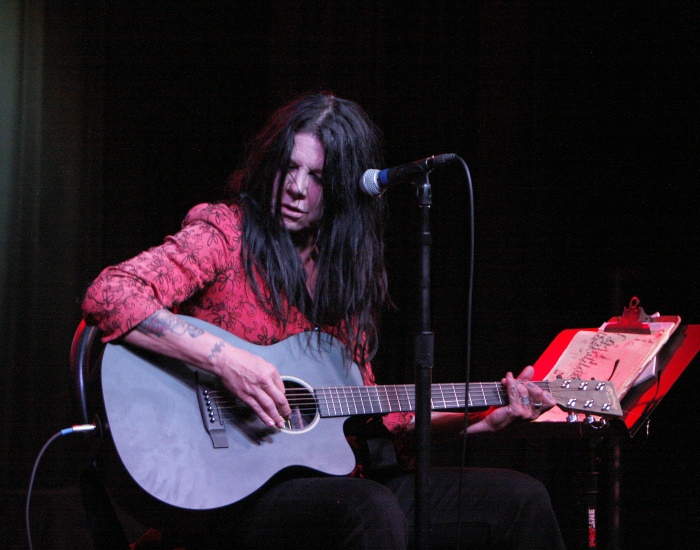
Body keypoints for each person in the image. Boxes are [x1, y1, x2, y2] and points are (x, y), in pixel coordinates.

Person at [82, 91, 565, 549]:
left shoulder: (348, 277)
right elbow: (112, 293)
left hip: (329, 485)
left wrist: (483, 419)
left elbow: (374, 420)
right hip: (228, 488)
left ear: (340, 190)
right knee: (368, 508)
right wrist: (228, 361)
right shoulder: (226, 233)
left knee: (522, 501)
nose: (295, 188)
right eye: (288, 168)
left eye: (316, 177)